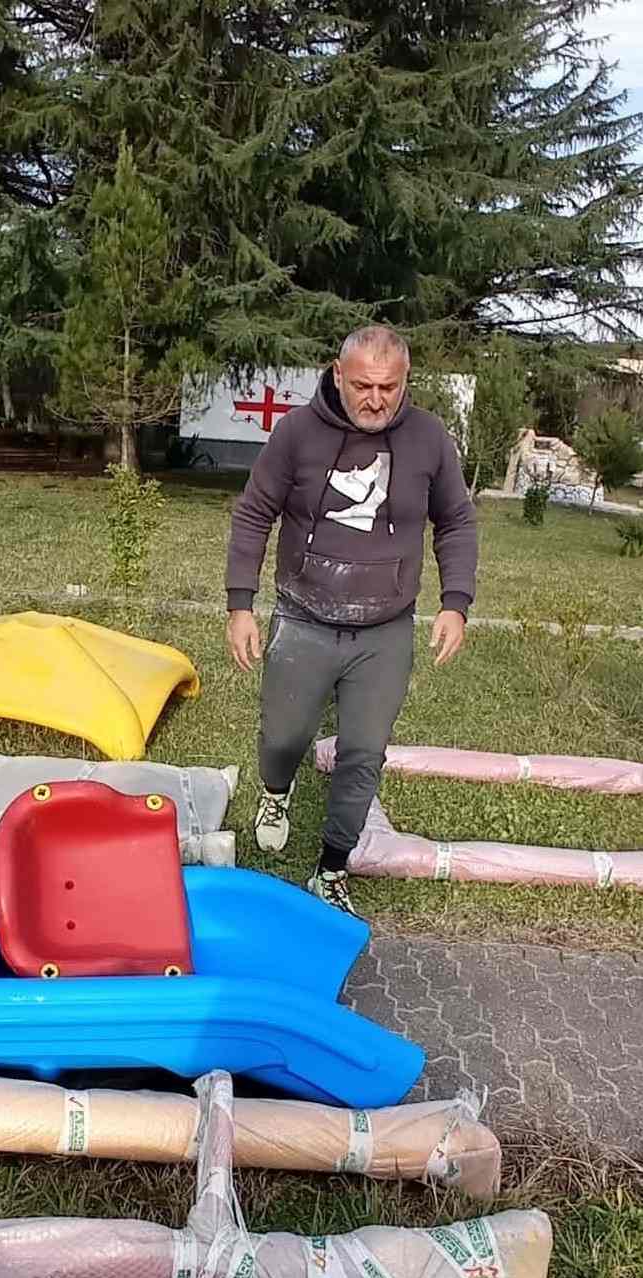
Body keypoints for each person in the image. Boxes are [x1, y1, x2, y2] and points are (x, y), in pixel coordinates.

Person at [225, 326, 477, 914]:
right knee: (283, 737)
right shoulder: (297, 432)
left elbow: (456, 520)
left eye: (388, 387)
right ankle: (276, 790)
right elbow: (254, 513)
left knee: (364, 752)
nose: (375, 399)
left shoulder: (429, 438)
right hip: (303, 615)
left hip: (385, 628)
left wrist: (455, 602)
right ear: (338, 375)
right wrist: (241, 604)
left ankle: (332, 867)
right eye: (363, 385)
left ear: (405, 381)